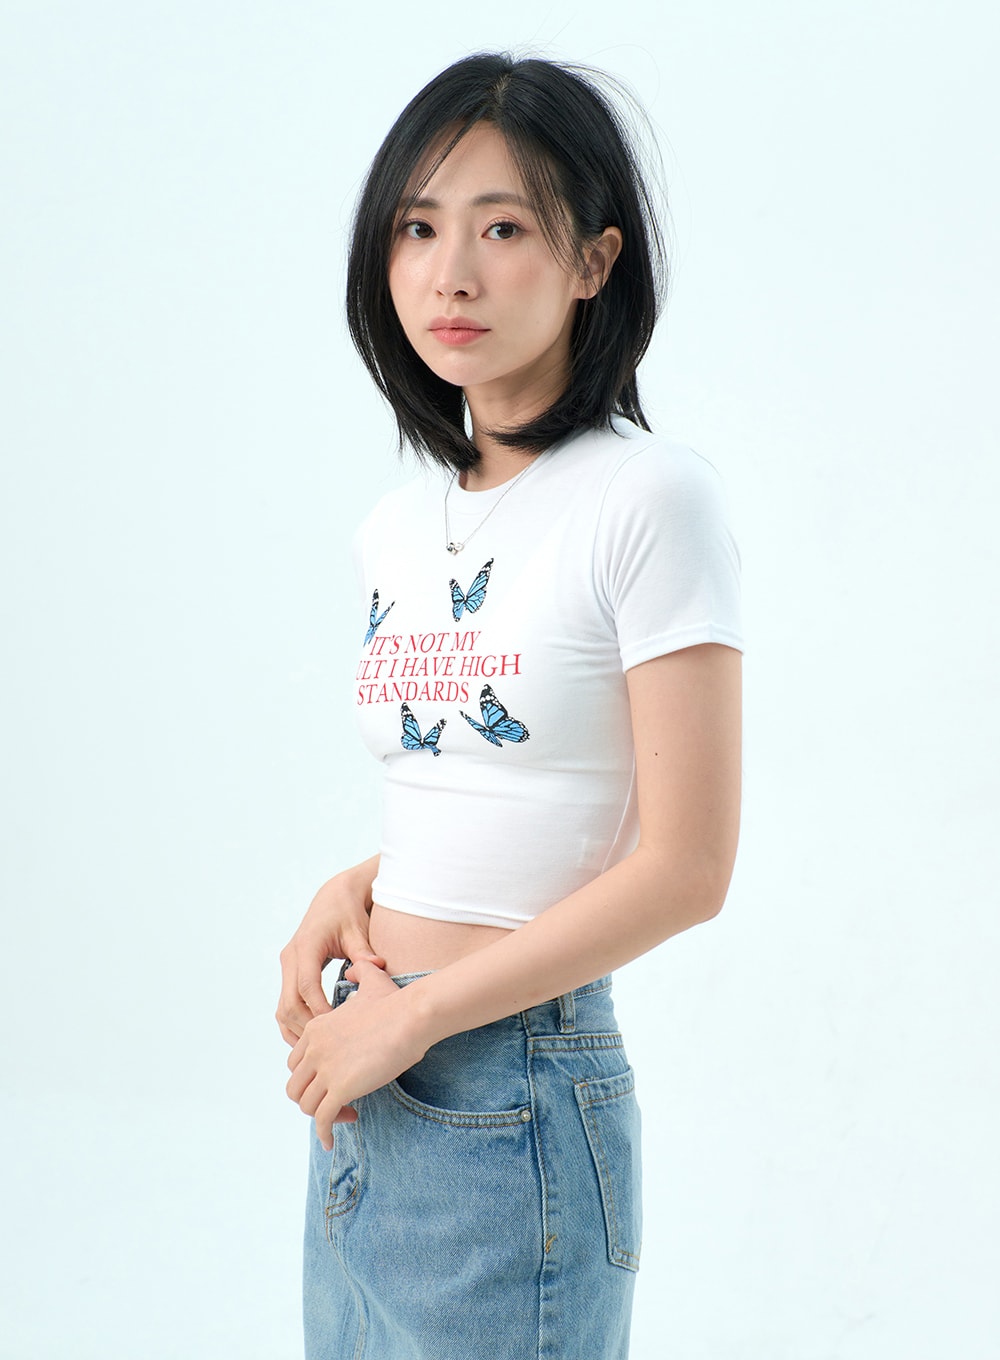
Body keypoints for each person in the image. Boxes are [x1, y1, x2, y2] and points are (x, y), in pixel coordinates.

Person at [276, 51, 743, 1360]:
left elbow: (689, 866)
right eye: (418, 228)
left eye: (503, 229)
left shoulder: (648, 500)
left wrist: (422, 1012)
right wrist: (353, 892)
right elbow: (490, 783)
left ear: (594, 260)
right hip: (368, 1075)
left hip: (513, 1086)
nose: (451, 275)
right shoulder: (395, 526)